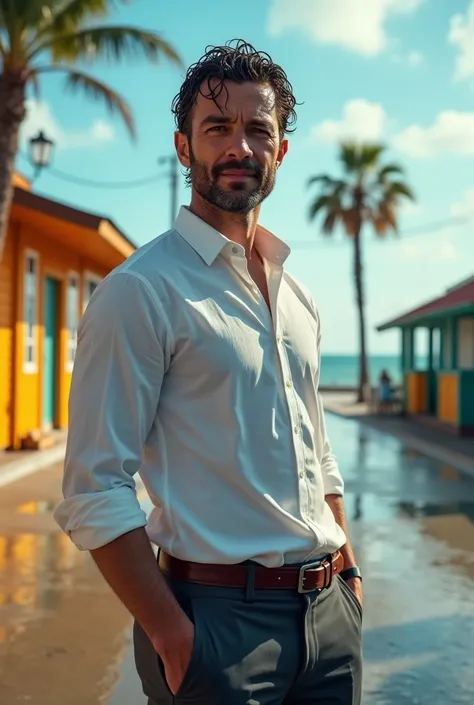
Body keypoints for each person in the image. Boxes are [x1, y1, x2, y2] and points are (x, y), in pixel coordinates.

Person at [54, 39, 363, 705]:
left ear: (280, 151)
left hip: (329, 616)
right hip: (216, 627)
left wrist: (350, 576)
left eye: (258, 129)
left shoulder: (299, 294)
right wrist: (173, 635)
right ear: (183, 146)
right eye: (217, 127)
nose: (239, 147)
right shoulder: (141, 290)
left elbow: (319, 448)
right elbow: (94, 485)